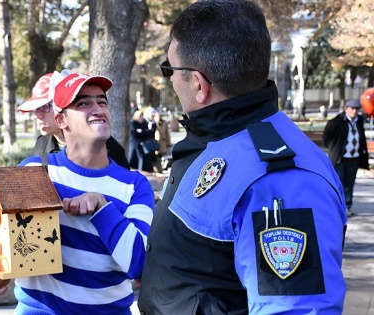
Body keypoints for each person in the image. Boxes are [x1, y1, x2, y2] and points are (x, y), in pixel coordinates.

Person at [137, 1, 347, 314]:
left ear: (198, 85)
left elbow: (295, 308)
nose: (170, 80)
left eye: (170, 70)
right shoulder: (219, 140)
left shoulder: (278, 177)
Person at [0, 72, 155, 314]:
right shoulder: (34, 171)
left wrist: (101, 206)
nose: (97, 108)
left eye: (102, 101)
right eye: (83, 103)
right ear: (61, 120)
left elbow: (139, 263)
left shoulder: (135, 185)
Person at [18, 72, 130, 169]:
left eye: (44, 106)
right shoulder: (41, 144)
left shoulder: (108, 150)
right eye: (35, 109)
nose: (38, 115)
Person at [322, 99, 370, 217]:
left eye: (356, 109)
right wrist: (335, 149)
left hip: (353, 158)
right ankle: (336, 207)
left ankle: (347, 207)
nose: (354, 111)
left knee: (349, 184)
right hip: (340, 159)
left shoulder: (359, 122)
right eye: (352, 108)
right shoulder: (336, 122)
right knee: (338, 184)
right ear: (346, 109)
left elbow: (361, 138)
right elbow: (326, 138)